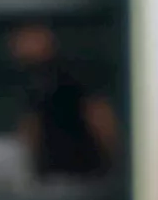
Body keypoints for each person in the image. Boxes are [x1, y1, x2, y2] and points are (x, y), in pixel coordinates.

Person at [8, 22, 118, 183]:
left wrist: (114, 164)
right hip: (49, 176)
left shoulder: (73, 74)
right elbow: (29, 130)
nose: (17, 45)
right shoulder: (30, 81)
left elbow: (101, 119)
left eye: (27, 36)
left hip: (85, 173)